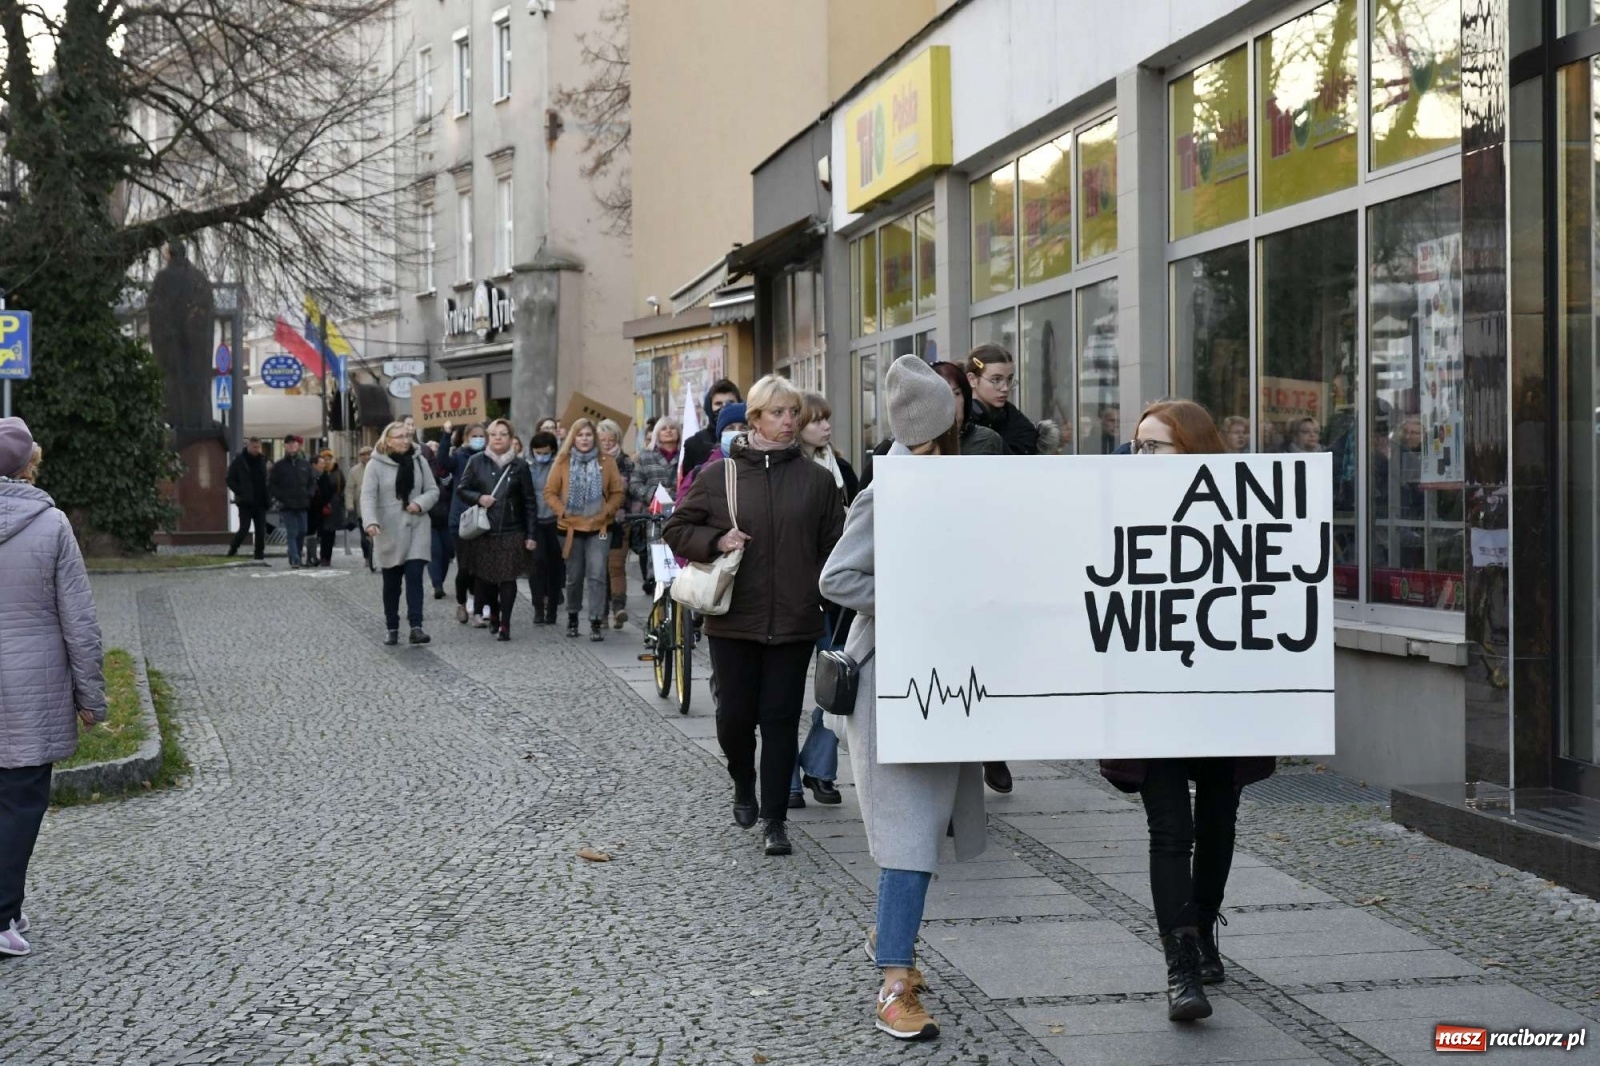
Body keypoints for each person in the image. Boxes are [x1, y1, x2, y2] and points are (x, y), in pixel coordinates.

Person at [819, 357, 985, 1041]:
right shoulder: (885, 493)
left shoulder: (955, 484)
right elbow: (837, 577)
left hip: (945, 678)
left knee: (922, 830)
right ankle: (894, 983)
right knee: (911, 836)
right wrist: (911, 602)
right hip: (891, 684)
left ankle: (890, 938)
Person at [1100, 398, 1277, 1024]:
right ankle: (1180, 965)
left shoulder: (1243, 511)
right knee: (1170, 829)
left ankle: (1203, 930)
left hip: (1221, 693)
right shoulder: (1114, 512)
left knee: (1218, 820)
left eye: (1155, 446)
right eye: (1137, 446)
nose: (1139, 456)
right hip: (1152, 693)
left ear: (1193, 451)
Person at [664, 375, 844, 859]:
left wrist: (821, 593)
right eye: (779, 414)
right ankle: (743, 780)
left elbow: (835, 547)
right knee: (734, 719)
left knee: (780, 719)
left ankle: (775, 819)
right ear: (756, 418)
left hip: (794, 620)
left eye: (793, 414)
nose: (789, 423)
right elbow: (677, 528)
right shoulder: (718, 476)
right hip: (734, 618)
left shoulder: (817, 480)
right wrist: (716, 541)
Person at [0, 419, 105, 958]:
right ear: (29, 466)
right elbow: (78, 619)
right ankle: (1, 915)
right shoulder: (52, 524)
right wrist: (91, 699)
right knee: (19, 802)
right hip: (30, 688)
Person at [789, 391, 857, 809]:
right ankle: (787, 780)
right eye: (816, 421)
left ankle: (818, 766)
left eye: (827, 420)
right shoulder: (788, 470)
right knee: (785, 693)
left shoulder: (841, 468)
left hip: (836, 597)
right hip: (797, 592)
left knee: (838, 685)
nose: (825, 427)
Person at [857, 361, 1001, 492]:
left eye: (956, 393)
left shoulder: (987, 440)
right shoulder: (891, 454)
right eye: (942, 396)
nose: (950, 402)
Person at [544, 417, 626, 641]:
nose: (584, 439)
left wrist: (606, 511)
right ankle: (572, 616)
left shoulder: (607, 461)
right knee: (574, 576)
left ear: (594, 438)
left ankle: (596, 620)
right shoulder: (562, 461)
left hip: (599, 527)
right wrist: (561, 511)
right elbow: (549, 492)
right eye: (580, 435)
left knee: (598, 574)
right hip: (570, 528)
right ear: (573, 437)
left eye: (588, 435)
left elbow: (618, 492)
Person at [455, 419, 537, 640]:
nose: (498, 437)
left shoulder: (520, 466)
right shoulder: (476, 461)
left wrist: (531, 534)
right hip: (484, 530)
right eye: (494, 434)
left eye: (503, 434)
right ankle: (495, 611)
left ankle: (505, 624)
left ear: (511, 438)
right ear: (488, 438)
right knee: (487, 578)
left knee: (508, 578)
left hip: (512, 529)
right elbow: (462, 490)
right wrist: (479, 497)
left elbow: (529, 501)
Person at [360, 421, 440, 646]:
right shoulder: (374, 465)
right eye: (399, 437)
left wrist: (419, 503)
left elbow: (433, 490)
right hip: (388, 529)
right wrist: (370, 522)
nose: (405, 440)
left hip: (416, 525)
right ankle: (392, 627)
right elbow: (367, 497)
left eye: (407, 436)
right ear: (387, 440)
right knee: (392, 583)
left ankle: (416, 626)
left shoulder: (419, 460)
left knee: (415, 576)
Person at [627, 416, 682, 597]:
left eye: (672, 428)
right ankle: (659, 601)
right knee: (659, 562)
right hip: (655, 517)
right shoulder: (646, 457)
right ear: (657, 433)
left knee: (680, 562)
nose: (668, 431)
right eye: (663, 428)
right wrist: (654, 494)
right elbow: (634, 485)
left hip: (681, 513)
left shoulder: (685, 455)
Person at [965, 344, 1039, 455]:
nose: (1005, 388)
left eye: (1009, 379)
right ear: (972, 380)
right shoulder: (957, 424)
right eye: (996, 380)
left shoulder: (1019, 424)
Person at [448, 423, 488, 625]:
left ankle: (477, 606)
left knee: (481, 566)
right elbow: (442, 465)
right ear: (466, 437)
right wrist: (445, 434)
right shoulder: (458, 457)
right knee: (465, 566)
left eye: (482, 435)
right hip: (461, 520)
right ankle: (462, 602)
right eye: (475, 436)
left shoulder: (489, 458)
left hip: (483, 519)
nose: (479, 439)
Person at [597, 418, 634, 629]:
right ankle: (600, 613)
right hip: (595, 522)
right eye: (603, 439)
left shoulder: (626, 462)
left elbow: (628, 490)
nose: (608, 443)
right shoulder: (590, 461)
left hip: (620, 521)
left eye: (611, 439)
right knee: (598, 568)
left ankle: (618, 607)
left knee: (616, 565)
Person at [526, 431, 565, 624]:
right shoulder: (527, 467)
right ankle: (538, 606)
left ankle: (552, 608)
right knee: (537, 564)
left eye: (545, 452)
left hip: (556, 521)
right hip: (535, 522)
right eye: (538, 452)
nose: (541, 455)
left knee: (555, 566)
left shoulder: (559, 466)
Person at [678, 403, 747, 502]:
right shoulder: (701, 473)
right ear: (720, 434)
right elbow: (681, 512)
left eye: (744, 428)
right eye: (730, 428)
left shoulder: (762, 468)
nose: (737, 433)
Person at [268, 434, 316, 569]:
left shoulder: (305, 465)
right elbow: (272, 484)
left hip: (302, 503)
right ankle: (295, 559)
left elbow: (312, 482)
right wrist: (281, 496)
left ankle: (296, 552)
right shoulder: (279, 466)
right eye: (288, 444)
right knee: (292, 532)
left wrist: (309, 494)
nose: (291, 446)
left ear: (298, 446)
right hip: (287, 504)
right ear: (285, 446)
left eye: (293, 444)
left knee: (302, 531)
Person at [681, 378, 743, 474]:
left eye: (730, 403)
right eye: (718, 404)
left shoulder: (753, 438)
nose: (724, 407)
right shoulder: (694, 444)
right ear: (709, 407)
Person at [225, 437, 270, 559]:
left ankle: (259, 554)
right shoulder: (240, 460)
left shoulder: (262, 460)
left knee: (261, 530)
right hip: (246, 502)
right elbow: (229, 479)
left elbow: (266, 479)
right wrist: (240, 491)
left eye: (258, 447)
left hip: (260, 501)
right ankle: (233, 548)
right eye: (254, 447)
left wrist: (268, 496)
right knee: (244, 528)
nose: (256, 450)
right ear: (248, 446)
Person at [427, 437, 456, 598]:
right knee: (435, 552)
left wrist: (442, 474)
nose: (434, 451)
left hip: (446, 516)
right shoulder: (423, 468)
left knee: (446, 552)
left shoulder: (446, 470)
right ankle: (437, 584)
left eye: (436, 448)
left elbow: (450, 487)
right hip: (430, 518)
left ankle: (441, 581)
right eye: (430, 448)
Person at [312, 450, 347, 567]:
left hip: (334, 506)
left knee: (331, 533)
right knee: (322, 532)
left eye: (329, 459)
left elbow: (343, 487)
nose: (326, 461)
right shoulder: (320, 473)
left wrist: (341, 500)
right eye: (324, 459)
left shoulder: (338, 472)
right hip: (320, 505)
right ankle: (321, 556)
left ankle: (327, 558)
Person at [346, 445, 376, 570]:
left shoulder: (377, 467)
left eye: (368, 454)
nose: (366, 457)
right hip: (361, 509)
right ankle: (367, 558)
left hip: (378, 507)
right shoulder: (354, 471)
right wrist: (349, 505)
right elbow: (349, 489)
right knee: (365, 538)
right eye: (363, 455)